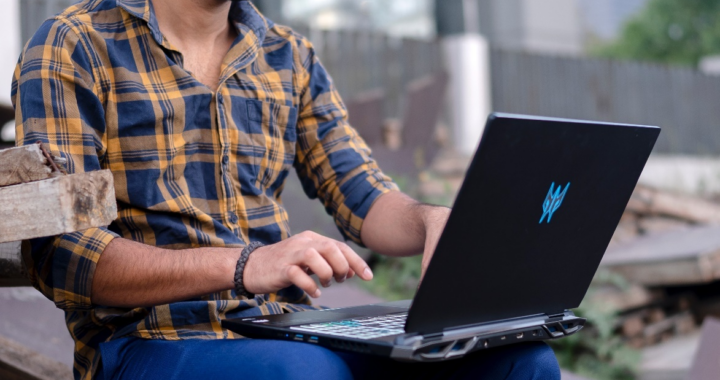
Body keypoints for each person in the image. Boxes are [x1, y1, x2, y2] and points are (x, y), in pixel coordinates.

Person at [12, 0, 560, 379]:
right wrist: (247, 264)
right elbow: (64, 255)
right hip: (147, 344)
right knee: (301, 372)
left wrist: (432, 220)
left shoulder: (288, 55)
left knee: (520, 364)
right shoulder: (74, 44)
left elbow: (362, 193)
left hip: (287, 337)